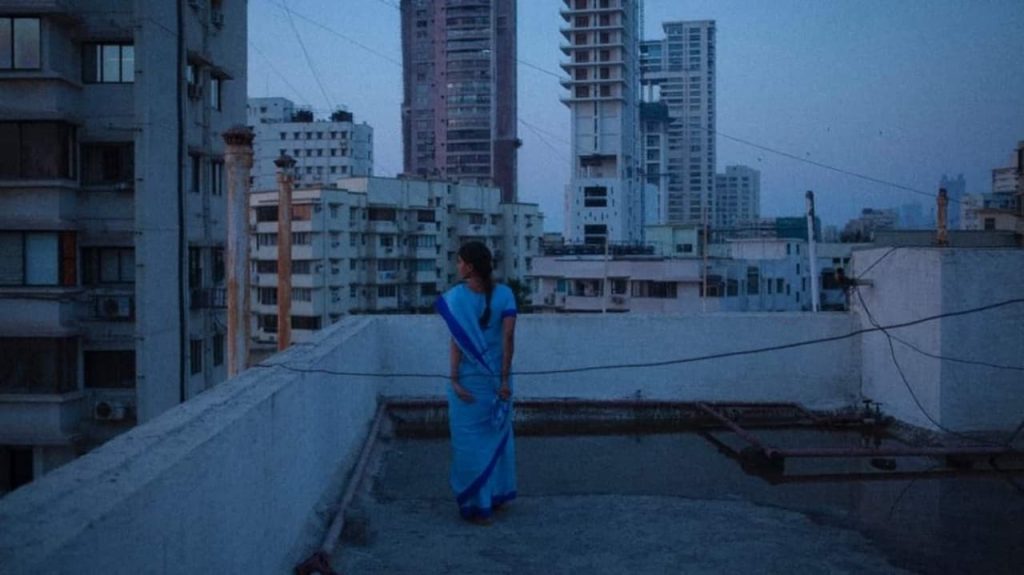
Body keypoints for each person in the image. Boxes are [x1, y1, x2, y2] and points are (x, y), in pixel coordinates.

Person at [434, 241, 517, 523]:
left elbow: (456, 343)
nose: (457, 266)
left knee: (468, 446)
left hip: (469, 384)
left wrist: (454, 380)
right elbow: (508, 341)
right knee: (495, 440)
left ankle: (477, 505)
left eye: (459, 261)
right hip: (497, 383)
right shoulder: (506, 294)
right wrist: (504, 382)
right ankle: (494, 497)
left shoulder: (457, 298)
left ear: (469, 267)